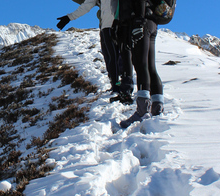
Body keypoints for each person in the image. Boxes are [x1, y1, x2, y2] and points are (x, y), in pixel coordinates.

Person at [57, 0, 123, 93]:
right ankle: (115, 83)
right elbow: (87, 5)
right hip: (105, 25)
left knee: (116, 55)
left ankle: (122, 84)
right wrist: (69, 17)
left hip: (118, 24)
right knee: (108, 55)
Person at [118, 0, 164, 128]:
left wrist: (138, 21)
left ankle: (142, 111)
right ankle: (157, 107)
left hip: (140, 21)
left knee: (141, 64)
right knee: (150, 66)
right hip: (151, 21)